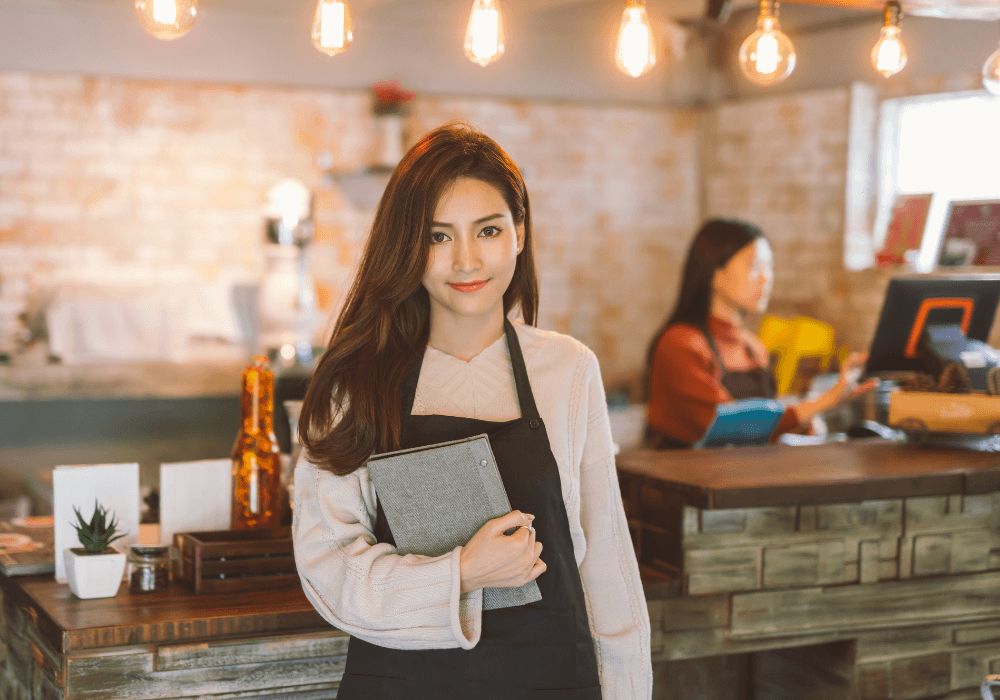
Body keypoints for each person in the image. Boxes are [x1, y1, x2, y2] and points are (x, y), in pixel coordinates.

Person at [293, 123, 651, 698]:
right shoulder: (355, 383)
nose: (466, 260)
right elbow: (329, 570)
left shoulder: (567, 370)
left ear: (519, 233)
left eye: (488, 230)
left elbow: (607, 567)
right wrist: (460, 573)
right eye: (438, 236)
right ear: (407, 247)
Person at [645, 218, 877, 449]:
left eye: (770, 267)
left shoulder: (753, 348)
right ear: (716, 273)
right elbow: (728, 426)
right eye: (755, 267)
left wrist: (807, 423)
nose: (766, 279)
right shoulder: (680, 344)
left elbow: (768, 429)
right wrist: (825, 401)